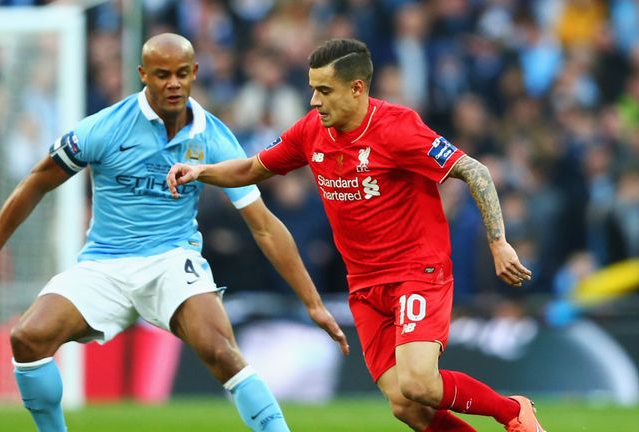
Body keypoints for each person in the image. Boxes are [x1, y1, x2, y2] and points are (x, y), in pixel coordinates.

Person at [0, 33, 348, 432]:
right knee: (27, 339)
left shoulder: (212, 137)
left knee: (221, 351)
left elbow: (264, 225)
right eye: (162, 75)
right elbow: (37, 181)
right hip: (105, 264)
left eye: (182, 73)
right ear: (143, 75)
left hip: (171, 260)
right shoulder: (106, 127)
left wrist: (313, 302)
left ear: (195, 73)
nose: (174, 83)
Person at [167, 38, 546, 432]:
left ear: (357, 88)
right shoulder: (311, 132)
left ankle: (512, 411)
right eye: (313, 88)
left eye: (324, 90)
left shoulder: (397, 129)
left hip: (416, 271)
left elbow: (475, 171)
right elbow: (250, 169)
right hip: (365, 285)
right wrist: (201, 172)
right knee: (405, 405)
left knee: (419, 382)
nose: (314, 100)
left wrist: (498, 242)